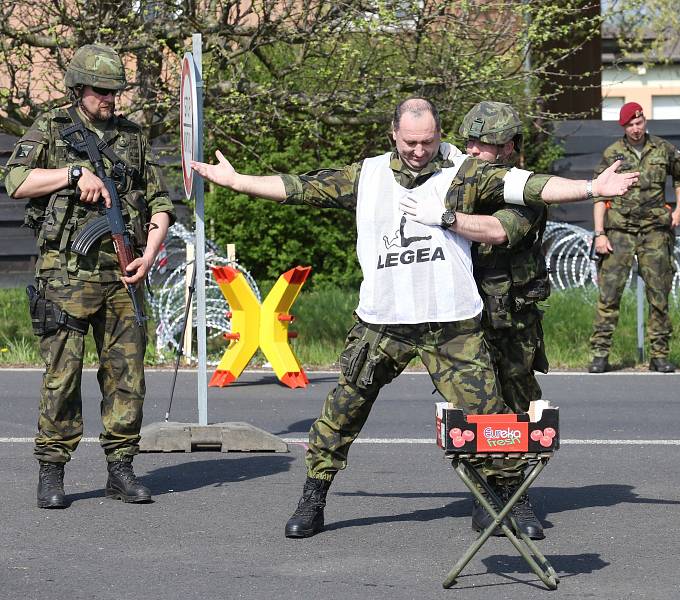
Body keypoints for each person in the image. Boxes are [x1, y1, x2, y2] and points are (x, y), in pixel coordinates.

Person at [191, 97, 637, 539]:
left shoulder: (464, 172)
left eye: (427, 141)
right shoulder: (366, 175)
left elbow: (532, 185)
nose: (419, 151)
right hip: (384, 320)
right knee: (344, 409)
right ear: (394, 135)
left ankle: (511, 499)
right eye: (410, 142)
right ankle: (314, 496)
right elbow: (300, 187)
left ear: (439, 136)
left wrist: (593, 188)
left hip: (452, 322)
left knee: (490, 416)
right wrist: (238, 182)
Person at [4, 44, 174, 508]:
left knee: (128, 377)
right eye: (101, 91)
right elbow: (15, 181)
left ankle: (121, 468)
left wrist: (149, 254)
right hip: (66, 276)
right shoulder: (53, 128)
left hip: (123, 276)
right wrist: (72, 172)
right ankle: (52, 471)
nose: (110, 99)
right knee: (63, 375)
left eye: (115, 92)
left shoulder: (133, 138)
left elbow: (159, 203)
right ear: (78, 88)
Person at [457, 101, 550, 540]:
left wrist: (446, 218)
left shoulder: (527, 191)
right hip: (467, 317)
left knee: (515, 408)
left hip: (512, 320)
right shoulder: (456, 184)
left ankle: (517, 499)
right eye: (470, 142)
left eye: (485, 144)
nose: (473, 150)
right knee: (475, 407)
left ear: (510, 147)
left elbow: (499, 230)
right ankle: (483, 495)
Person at [588, 102, 680, 374]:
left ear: (645, 121)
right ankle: (599, 354)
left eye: (639, 122)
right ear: (624, 127)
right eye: (630, 125)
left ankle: (659, 355)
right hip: (619, 231)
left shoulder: (664, 150)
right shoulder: (613, 154)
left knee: (659, 295)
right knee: (609, 295)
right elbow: (599, 194)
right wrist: (599, 233)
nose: (635, 129)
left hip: (655, 231)